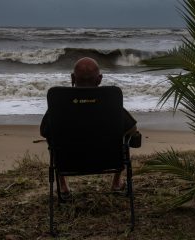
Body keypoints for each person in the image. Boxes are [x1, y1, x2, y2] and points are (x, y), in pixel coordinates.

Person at [40, 57, 137, 197]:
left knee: (52, 137)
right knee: (124, 136)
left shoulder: (59, 104)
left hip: (68, 162)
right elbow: (132, 129)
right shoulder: (110, 102)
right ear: (99, 79)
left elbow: (44, 132)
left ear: (73, 78)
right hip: (108, 161)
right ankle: (116, 183)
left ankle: (63, 186)